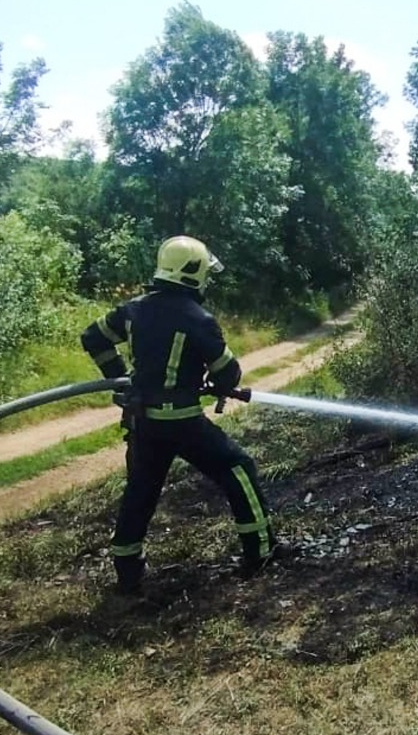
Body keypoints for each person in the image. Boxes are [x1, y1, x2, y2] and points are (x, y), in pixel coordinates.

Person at [81, 235, 290, 592]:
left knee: (141, 490)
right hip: (182, 423)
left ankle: (127, 569)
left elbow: (93, 337)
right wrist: (215, 381)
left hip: (144, 423)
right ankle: (261, 551)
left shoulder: (133, 309)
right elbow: (228, 373)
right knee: (238, 468)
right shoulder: (198, 318)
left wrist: (119, 380)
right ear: (193, 273)